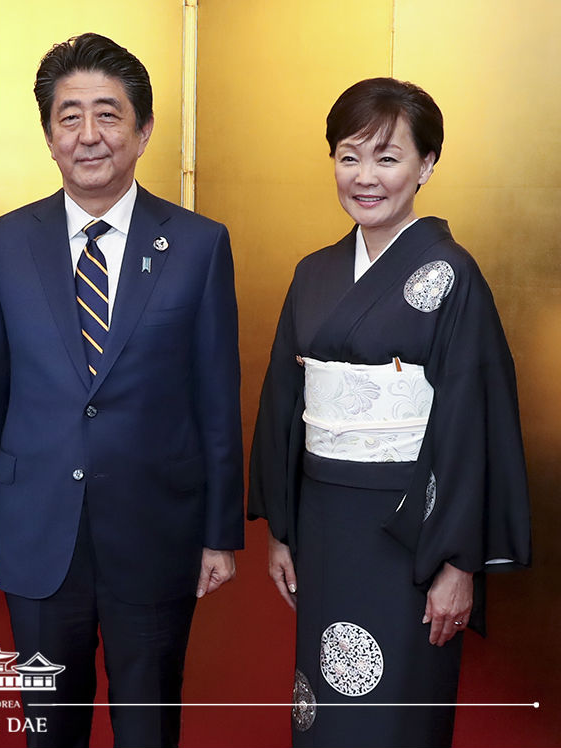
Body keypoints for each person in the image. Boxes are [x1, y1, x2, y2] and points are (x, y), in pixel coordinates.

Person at [0, 33, 244, 748]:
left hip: (156, 528)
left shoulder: (198, 242)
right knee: (48, 726)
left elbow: (216, 395)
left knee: (149, 719)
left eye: (108, 114)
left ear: (144, 130)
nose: (89, 135)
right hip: (34, 527)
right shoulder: (3, 242)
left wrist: (220, 531)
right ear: (49, 135)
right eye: (69, 117)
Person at [249, 77, 532, 747]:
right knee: (324, 700)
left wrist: (459, 566)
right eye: (349, 156)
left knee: (400, 713)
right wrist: (282, 531)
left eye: (387, 157)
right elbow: (284, 405)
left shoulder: (451, 274)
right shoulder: (313, 273)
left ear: (426, 165)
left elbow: (474, 425)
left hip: (413, 533)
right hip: (326, 525)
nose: (365, 177)